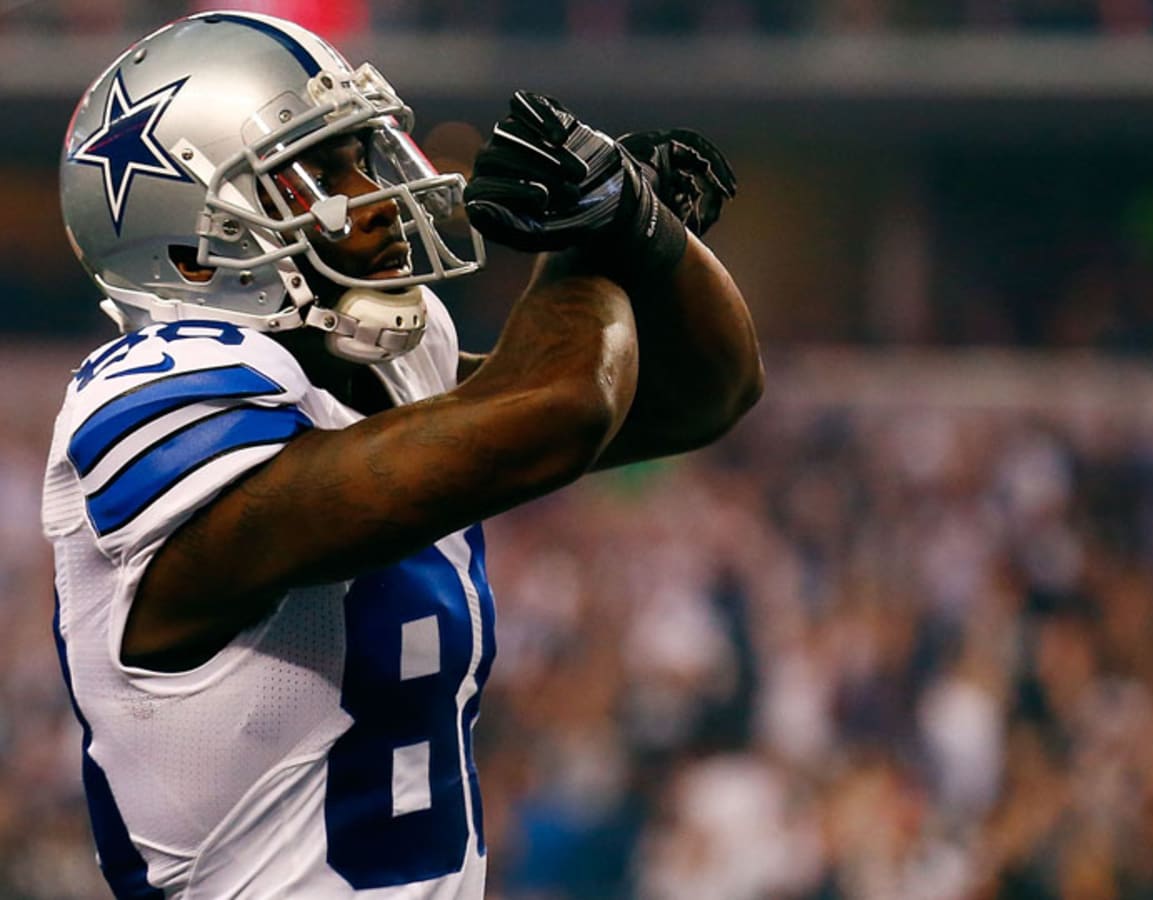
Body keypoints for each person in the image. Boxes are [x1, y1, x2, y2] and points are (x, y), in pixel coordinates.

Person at [43, 10, 762, 898]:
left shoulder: (379, 377)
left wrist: (643, 229)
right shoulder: (152, 393)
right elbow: (562, 405)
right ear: (195, 254)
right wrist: (586, 236)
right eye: (314, 175)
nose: (373, 193)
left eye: (358, 156)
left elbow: (706, 395)